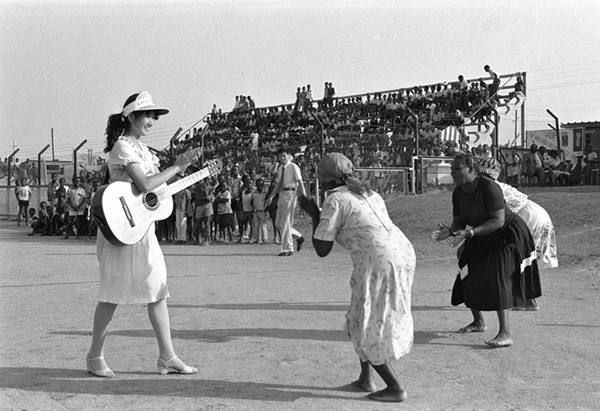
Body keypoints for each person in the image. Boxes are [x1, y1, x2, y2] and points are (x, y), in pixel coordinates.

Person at [86, 91, 199, 378]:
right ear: (131, 117)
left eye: (154, 116)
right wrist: (177, 166)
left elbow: (155, 192)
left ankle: (167, 356)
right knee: (111, 294)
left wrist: (181, 174)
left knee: (158, 290)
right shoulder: (122, 147)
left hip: (143, 229)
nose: (151, 120)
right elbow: (145, 185)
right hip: (120, 230)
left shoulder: (145, 151)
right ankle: (94, 357)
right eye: (147, 115)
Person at [299, 153, 415, 403]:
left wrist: (313, 213)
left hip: (377, 260)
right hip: (401, 253)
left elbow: (322, 248)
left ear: (325, 180)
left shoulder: (335, 199)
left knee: (365, 321)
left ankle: (395, 387)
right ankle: (365, 378)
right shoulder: (370, 193)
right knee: (360, 315)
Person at [431, 153, 542, 347]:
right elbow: (459, 222)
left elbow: (498, 221)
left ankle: (505, 333)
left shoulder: (489, 187)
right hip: (482, 232)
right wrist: (450, 231)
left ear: (471, 169)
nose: (453, 172)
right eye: (452, 169)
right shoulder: (458, 193)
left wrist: (470, 233)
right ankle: (478, 322)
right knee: (466, 269)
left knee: (497, 274)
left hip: (507, 234)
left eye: (457, 168)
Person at [477, 158, 558, 308]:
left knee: (519, 257)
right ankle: (525, 298)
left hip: (527, 217)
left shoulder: (489, 188)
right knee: (525, 258)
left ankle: (527, 299)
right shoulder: (495, 186)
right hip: (535, 213)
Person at [266, 147, 306, 256]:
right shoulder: (280, 168)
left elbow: (300, 182)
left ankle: (287, 249)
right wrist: (271, 196)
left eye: (284, 155)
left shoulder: (293, 166)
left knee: (285, 223)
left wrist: (304, 197)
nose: (282, 158)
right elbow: (279, 184)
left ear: (288, 155)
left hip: (291, 194)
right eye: (280, 156)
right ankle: (298, 236)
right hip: (282, 194)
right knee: (278, 223)